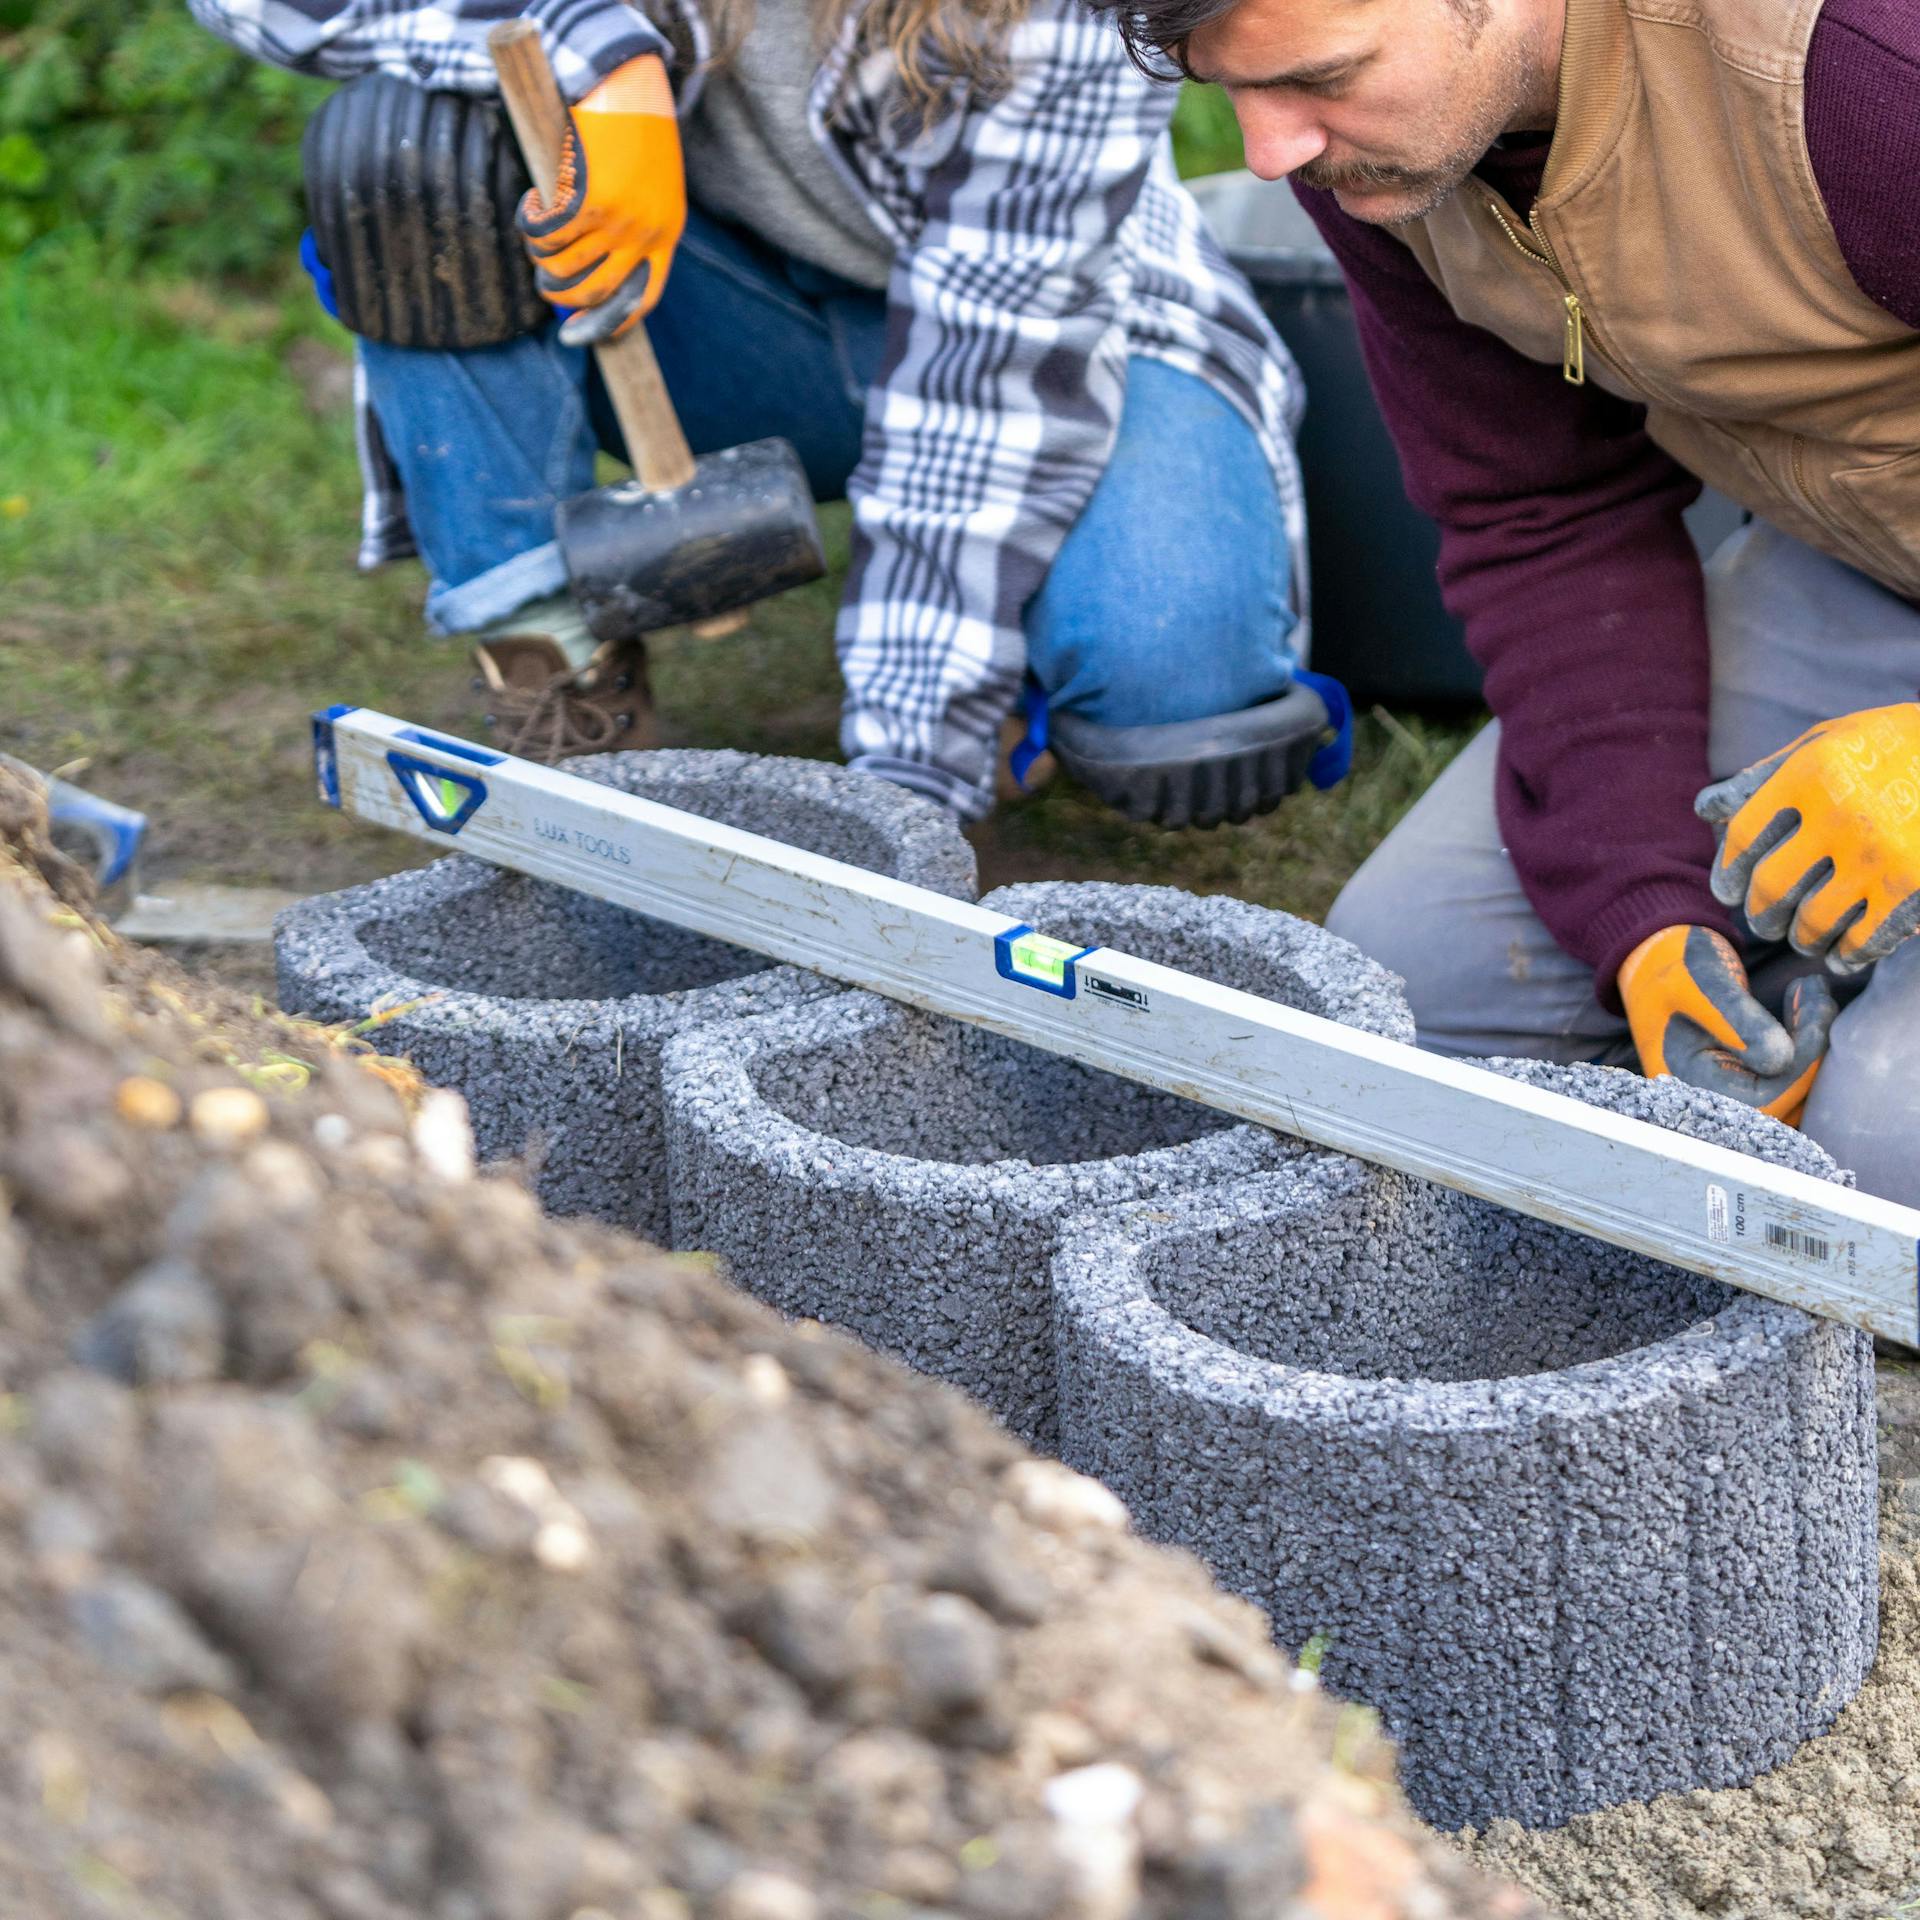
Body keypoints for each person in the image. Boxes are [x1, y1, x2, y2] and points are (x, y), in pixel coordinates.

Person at [1086, 0, 1920, 1202]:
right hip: (1856, 566)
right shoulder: (1381, 154)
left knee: (1882, 1152)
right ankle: (1824, 963)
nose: (1269, 152)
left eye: (1321, 76)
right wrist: (1641, 903)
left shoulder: (1862, 75)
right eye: (1231, 93)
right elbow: (1543, 511)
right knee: (1417, 990)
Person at [190, 0, 1336, 826]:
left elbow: (977, 405)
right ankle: (561, 670)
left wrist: (899, 811)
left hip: (1062, 337)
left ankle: (1008, 671)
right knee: (402, 148)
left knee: (1173, 696)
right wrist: (598, 51)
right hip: (722, 306)